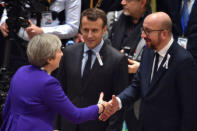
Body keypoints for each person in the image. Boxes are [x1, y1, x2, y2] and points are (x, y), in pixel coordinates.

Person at [100, 12, 197, 131]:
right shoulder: (147, 52)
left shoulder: (183, 61)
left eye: (147, 31)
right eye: (143, 30)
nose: (142, 35)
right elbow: (137, 86)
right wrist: (118, 102)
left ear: (164, 34)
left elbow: (190, 110)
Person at [0, 34, 110, 131]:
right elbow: (75, 116)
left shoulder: (21, 71)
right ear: (49, 58)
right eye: (58, 51)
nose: (62, 54)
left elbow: (7, 109)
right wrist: (100, 107)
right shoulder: (48, 83)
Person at [54, 8, 128, 131]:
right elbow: (59, 92)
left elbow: (118, 105)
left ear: (104, 30)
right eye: (85, 30)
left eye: (94, 30)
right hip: (67, 126)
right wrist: (55, 126)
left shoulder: (117, 60)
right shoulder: (68, 53)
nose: (89, 35)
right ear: (80, 29)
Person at [0, 0, 81, 72]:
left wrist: (42, 32)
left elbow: (73, 28)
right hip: (19, 46)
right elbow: (11, 4)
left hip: (52, 51)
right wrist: (4, 20)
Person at [109, 0, 151, 130]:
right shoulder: (112, 18)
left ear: (143, 2)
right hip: (110, 83)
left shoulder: (154, 24)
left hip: (137, 89)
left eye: (128, 0)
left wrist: (141, 68)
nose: (122, 2)